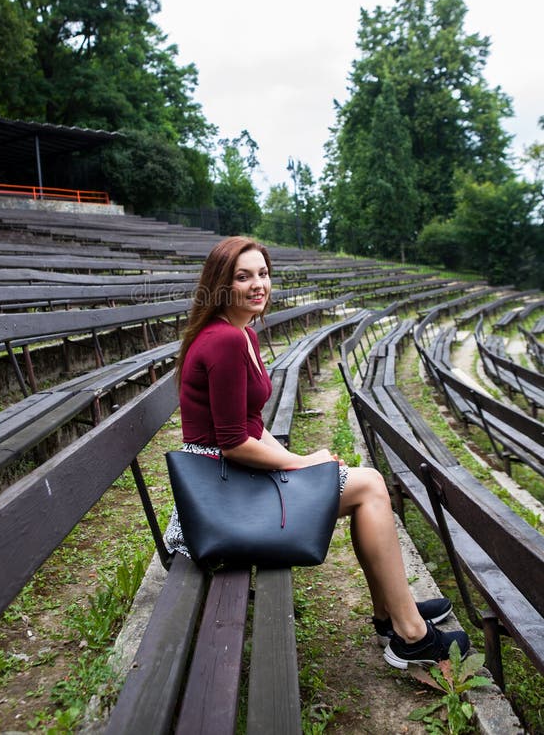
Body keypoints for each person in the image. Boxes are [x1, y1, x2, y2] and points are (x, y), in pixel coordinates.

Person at [165, 236, 470, 669]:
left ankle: (394, 616)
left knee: (367, 484)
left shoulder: (242, 333)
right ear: (221, 285)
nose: (258, 285)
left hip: (231, 483)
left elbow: (251, 425)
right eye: (243, 276)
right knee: (369, 486)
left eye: (263, 274)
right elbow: (233, 444)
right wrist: (302, 463)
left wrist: (306, 464)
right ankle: (409, 632)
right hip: (220, 496)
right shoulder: (224, 342)